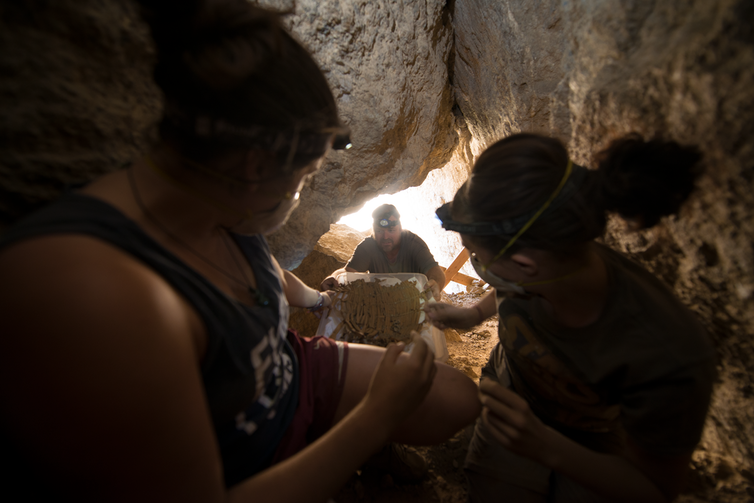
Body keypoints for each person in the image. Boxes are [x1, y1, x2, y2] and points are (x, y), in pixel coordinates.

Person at [0, 2, 481, 501]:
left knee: (453, 397)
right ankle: (346, 457)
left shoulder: (213, 200)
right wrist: (374, 420)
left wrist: (319, 301)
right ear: (254, 166)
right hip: (245, 447)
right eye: (304, 176)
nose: (300, 192)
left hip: (284, 369)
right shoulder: (105, 293)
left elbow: (264, 274)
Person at [425, 132, 716, 502]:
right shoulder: (553, 260)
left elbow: (655, 489)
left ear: (524, 265)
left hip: (589, 442)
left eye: (476, 256)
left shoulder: (667, 356)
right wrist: (472, 315)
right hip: (513, 392)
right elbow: (510, 286)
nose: (477, 265)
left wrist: (546, 446)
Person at [321, 204, 446, 300]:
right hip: (381, 302)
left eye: (391, 230)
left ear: (400, 229)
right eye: (379, 231)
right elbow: (348, 272)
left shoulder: (413, 243)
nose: (385, 237)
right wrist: (334, 276)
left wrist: (436, 283)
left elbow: (435, 271)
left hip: (414, 301)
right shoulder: (368, 246)